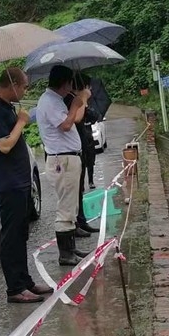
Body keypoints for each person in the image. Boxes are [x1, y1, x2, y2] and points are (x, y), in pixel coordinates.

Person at [0, 67, 53, 304]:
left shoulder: (5, 108)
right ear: (12, 85)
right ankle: (14, 289)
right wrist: (21, 122)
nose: (25, 90)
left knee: (21, 233)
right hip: (8, 184)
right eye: (23, 86)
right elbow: (4, 146)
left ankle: (25, 281)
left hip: (19, 182)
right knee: (11, 237)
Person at [35, 65, 91, 266]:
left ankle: (71, 248)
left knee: (71, 206)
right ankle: (65, 254)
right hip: (63, 159)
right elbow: (66, 125)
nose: (71, 88)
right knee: (66, 207)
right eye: (70, 84)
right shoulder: (49, 101)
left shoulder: (54, 100)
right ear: (65, 83)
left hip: (68, 158)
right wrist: (76, 104)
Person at [64, 73, 99, 239]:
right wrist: (83, 99)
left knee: (80, 187)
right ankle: (76, 223)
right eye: (87, 87)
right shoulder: (71, 99)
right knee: (75, 189)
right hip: (72, 149)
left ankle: (82, 220)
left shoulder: (75, 99)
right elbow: (77, 119)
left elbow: (91, 116)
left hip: (82, 145)